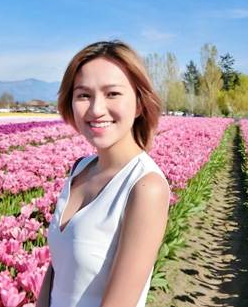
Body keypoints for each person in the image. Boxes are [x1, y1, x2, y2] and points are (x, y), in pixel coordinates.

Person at [37, 40, 169, 307]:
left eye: (112, 94)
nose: (96, 109)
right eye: (83, 95)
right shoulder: (79, 170)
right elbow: (57, 269)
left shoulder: (145, 187)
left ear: (140, 105)